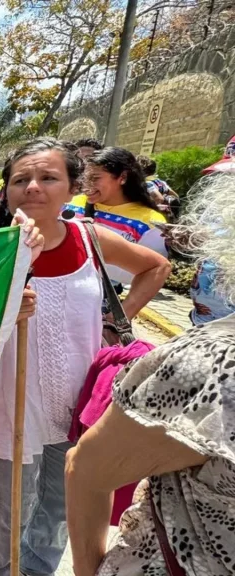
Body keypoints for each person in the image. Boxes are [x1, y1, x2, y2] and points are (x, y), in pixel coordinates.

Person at [0, 138, 170, 576]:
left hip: (79, 404)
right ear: (5, 190)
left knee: (60, 506)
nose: (33, 187)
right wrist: (1, 310)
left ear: (71, 187)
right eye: (21, 179)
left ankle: (37, 571)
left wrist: (111, 322)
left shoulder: (89, 237)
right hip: (14, 403)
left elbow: (156, 268)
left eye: (48, 177)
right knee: (6, 508)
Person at [66, 172, 235, 576]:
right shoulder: (211, 361)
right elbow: (88, 470)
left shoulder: (104, 228)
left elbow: (154, 266)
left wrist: (117, 317)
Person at [66, 147, 168, 284]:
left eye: (95, 178)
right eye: (83, 178)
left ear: (123, 177)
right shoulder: (71, 203)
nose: (86, 185)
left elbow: (149, 273)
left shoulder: (150, 222)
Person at [137, 155, 178, 219]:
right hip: (167, 215)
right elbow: (175, 195)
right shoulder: (160, 182)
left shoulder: (147, 183)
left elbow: (159, 198)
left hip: (155, 215)